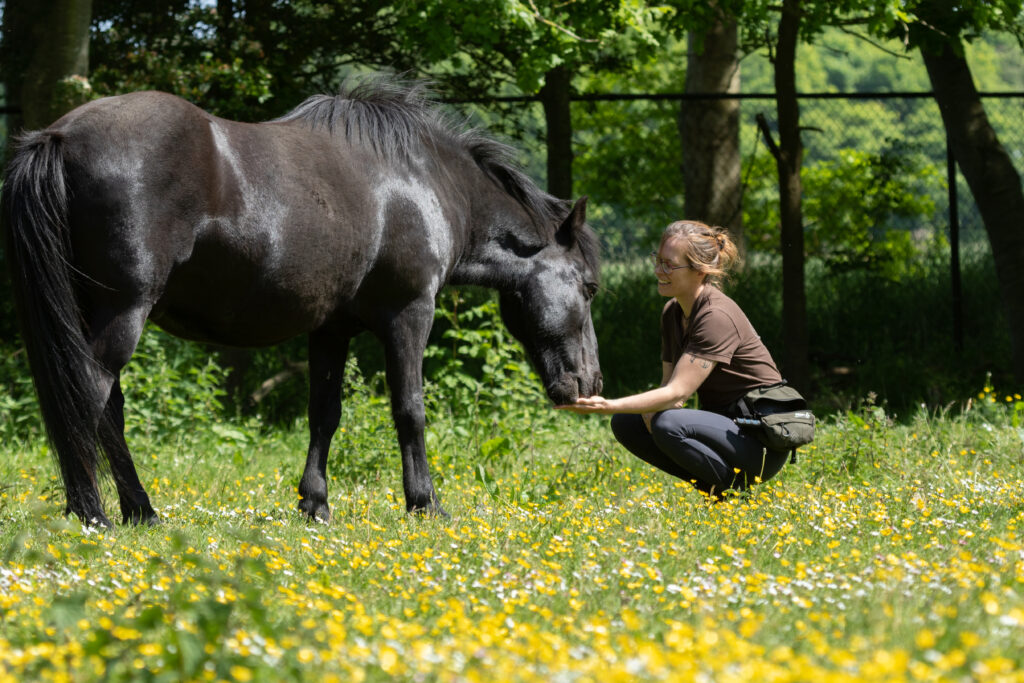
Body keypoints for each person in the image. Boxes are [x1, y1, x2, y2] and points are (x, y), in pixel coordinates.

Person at [557, 220, 791, 499]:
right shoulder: (673, 312)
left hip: (761, 441)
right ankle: (715, 489)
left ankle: (732, 495)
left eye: (669, 265)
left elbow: (676, 393)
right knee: (627, 423)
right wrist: (634, 411)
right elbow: (669, 392)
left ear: (700, 271)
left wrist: (606, 404)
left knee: (667, 425)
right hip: (727, 429)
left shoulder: (716, 316)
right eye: (658, 260)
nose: (658, 270)